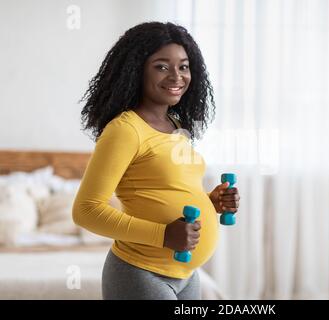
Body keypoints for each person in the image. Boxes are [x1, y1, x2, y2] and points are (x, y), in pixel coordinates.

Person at [72, 21, 240, 300]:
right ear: (137, 69)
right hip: (141, 273)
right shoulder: (125, 130)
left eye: (183, 66)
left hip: (186, 274)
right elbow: (86, 210)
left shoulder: (176, 125)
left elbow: (167, 189)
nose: (176, 76)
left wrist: (211, 203)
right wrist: (163, 235)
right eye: (162, 66)